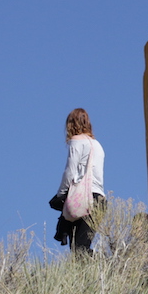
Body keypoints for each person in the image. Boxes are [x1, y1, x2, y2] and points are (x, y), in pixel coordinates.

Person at [55, 108, 106, 254]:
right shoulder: (97, 145)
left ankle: (104, 265)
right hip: (99, 200)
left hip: (82, 198)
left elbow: (70, 171)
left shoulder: (76, 142)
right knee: (83, 246)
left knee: (78, 251)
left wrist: (61, 194)